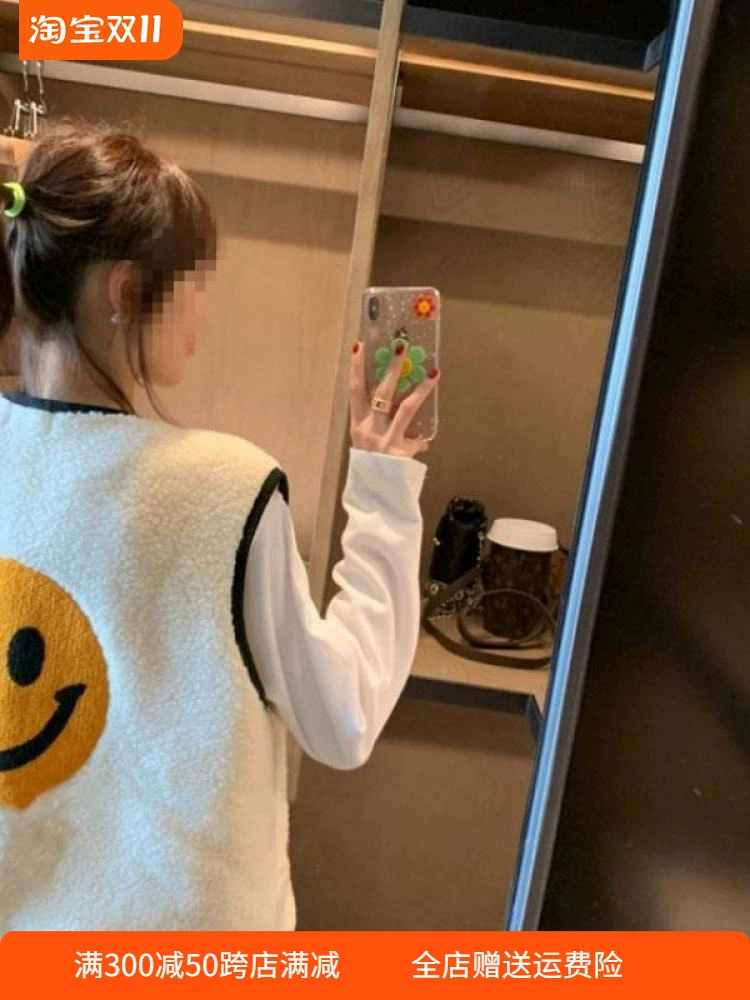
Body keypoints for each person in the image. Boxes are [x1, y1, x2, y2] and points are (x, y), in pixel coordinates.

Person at [0, 123, 439, 931]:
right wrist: (383, 482)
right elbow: (341, 717)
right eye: (192, 282)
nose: (202, 308)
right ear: (125, 291)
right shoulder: (225, 489)